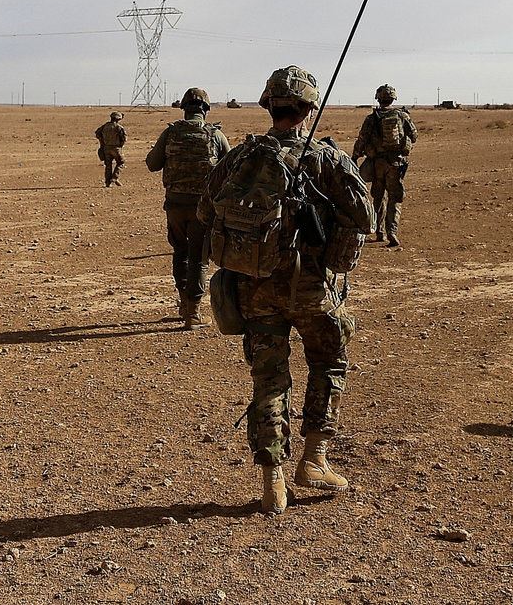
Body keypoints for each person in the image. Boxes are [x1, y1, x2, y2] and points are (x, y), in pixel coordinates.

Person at [201, 65, 374, 514]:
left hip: (255, 289)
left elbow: (206, 211)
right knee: (329, 360)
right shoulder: (326, 158)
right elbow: (364, 218)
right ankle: (315, 458)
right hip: (312, 288)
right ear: (308, 108)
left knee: (268, 378)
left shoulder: (240, 158)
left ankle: (271, 481)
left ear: (269, 105)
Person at [145, 87, 230, 327]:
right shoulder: (215, 135)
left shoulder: (171, 133)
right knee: (199, 258)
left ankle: (184, 303)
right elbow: (231, 167)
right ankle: (192, 312)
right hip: (203, 208)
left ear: (184, 109)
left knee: (180, 252)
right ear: (206, 110)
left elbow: (152, 164)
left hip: (175, 205)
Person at [351, 83, 417, 247]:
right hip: (396, 163)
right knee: (395, 198)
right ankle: (392, 232)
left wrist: (354, 157)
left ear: (378, 98)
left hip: (377, 164)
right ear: (393, 98)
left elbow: (362, 140)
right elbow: (413, 135)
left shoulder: (371, 118)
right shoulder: (402, 116)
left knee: (378, 198)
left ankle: (379, 232)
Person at [94, 111, 127, 187]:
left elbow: (97, 134)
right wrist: (120, 146)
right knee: (121, 162)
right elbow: (124, 139)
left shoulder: (105, 126)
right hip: (116, 148)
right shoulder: (119, 127)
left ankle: (107, 182)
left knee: (108, 165)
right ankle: (114, 178)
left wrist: (102, 141)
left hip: (106, 148)